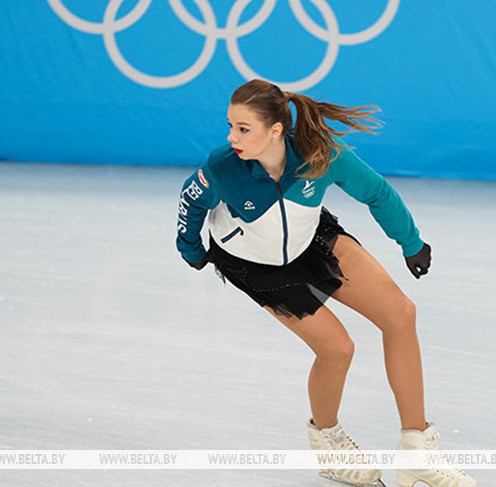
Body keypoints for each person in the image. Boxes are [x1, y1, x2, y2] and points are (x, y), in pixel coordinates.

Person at [176, 79, 476, 487]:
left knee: (400, 314)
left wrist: (410, 242)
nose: (232, 137)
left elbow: (376, 192)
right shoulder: (223, 166)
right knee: (337, 349)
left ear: (276, 130)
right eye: (230, 126)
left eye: (243, 128)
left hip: (310, 238)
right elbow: (191, 199)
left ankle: (417, 451)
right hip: (255, 264)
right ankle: (328, 442)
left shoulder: (320, 155)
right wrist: (191, 249)